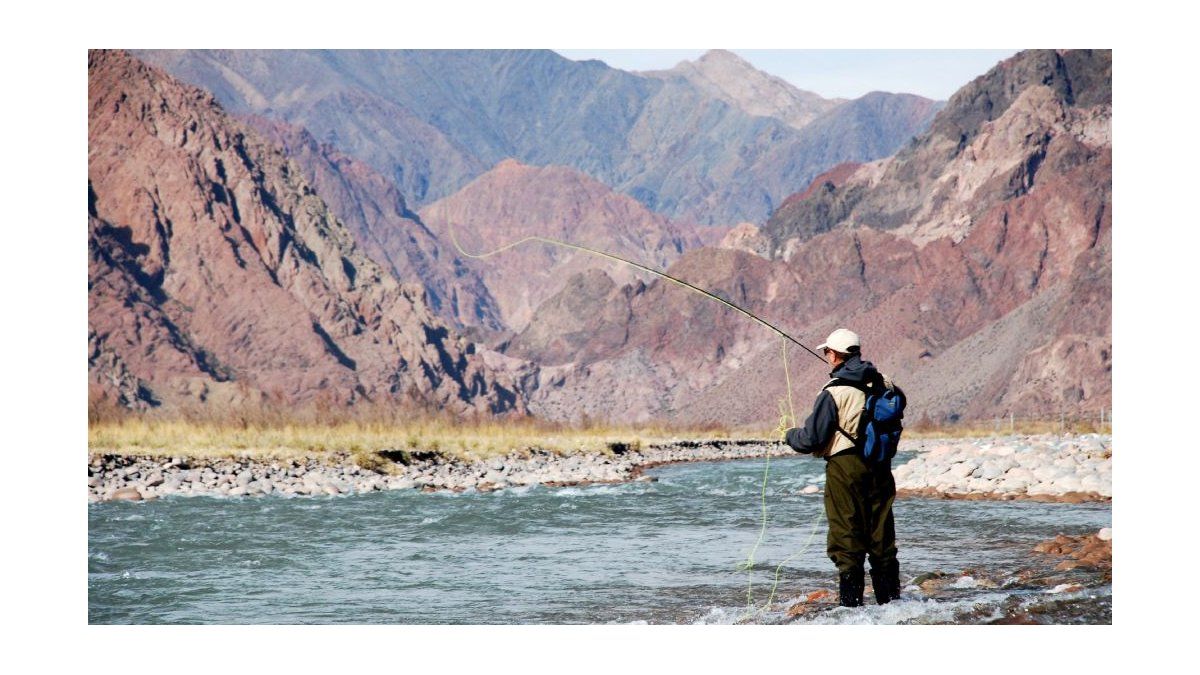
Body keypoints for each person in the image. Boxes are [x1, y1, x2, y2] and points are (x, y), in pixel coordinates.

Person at [784, 328, 901, 607]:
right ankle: (893, 606)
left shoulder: (833, 392)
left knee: (847, 536)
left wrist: (789, 435)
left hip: (844, 468)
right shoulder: (884, 383)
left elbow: (812, 439)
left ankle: (851, 610)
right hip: (880, 467)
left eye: (827, 352)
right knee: (881, 536)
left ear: (834, 354)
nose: (826, 356)